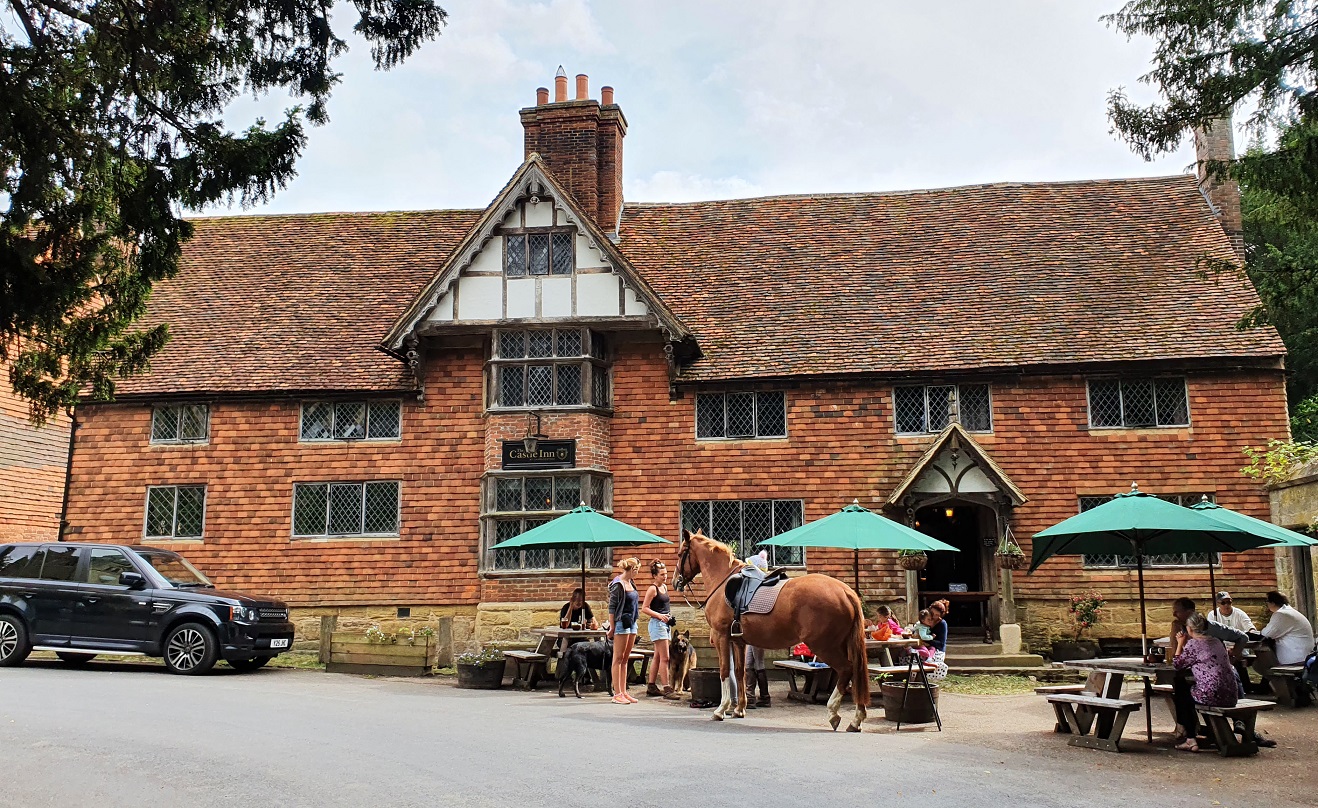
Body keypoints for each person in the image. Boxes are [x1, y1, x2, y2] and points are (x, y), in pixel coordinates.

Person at [1171, 613, 1239, 752]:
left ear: (1189, 629)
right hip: (1231, 694)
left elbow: (1178, 665)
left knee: (1181, 690)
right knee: (1187, 691)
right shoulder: (1217, 641)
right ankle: (1192, 732)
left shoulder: (1194, 644)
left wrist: (1180, 644)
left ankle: (1190, 737)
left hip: (1212, 695)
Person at [639, 560, 681, 700]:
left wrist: (668, 618)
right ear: (654, 576)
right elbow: (644, 608)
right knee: (665, 657)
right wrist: (659, 616)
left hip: (665, 624)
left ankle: (651, 686)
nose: (665, 576)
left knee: (657, 656)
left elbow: (664, 607)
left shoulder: (664, 587)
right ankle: (667, 688)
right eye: (662, 574)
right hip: (657, 624)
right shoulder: (653, 589)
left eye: (666, 573)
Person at [607, 557, 642, 704]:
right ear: (632, 569)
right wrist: (612, 626)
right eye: (637, 570)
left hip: (632, 622)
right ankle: (617, 694)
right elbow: (612, 606)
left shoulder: (630, 583)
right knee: (618, 658)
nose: (637, 573)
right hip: (621, 623)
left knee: (626, 659)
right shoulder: (618, 584)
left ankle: (624, 691)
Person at [1207, 591, 1257, 690]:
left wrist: (1251, 632)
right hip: (1222, 647)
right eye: (1223, 603)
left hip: (1239, 647)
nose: (1227, 605)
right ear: (1218, 604)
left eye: (1229, 602)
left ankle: (1241, 685)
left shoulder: (1239, 613)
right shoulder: (1213, 615)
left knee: (1234, 655)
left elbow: (1251, 628)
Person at [742, 550, 771, 707]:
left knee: (758, 662)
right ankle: (751, 695)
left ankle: (763, 696)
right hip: (752, 630)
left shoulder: (759, 588)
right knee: (749, 662)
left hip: (757, 630)